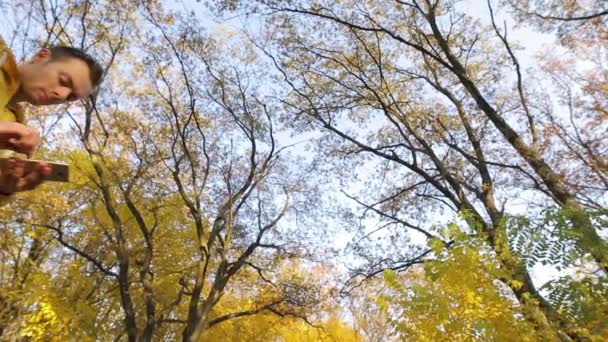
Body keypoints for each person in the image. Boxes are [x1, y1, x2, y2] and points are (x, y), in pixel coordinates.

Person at [0, 36, 103, 199]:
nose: (61, 95)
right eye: (63, 80)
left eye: (70, 97)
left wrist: (4, 189)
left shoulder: (14, 133)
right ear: (41, 56)